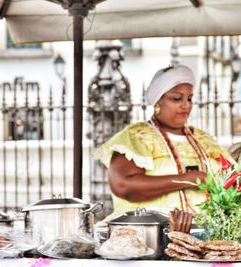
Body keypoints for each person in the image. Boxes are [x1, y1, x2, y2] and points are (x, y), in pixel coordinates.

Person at [94, 65, 230, 219]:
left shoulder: (203, 139)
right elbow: (123, 186)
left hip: (210, 235)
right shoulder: (137, 136)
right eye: (177, 98)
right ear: (158, 101)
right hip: (152, 234)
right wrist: (187, 180)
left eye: (189, 98)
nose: (186, 105)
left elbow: (234, 178)